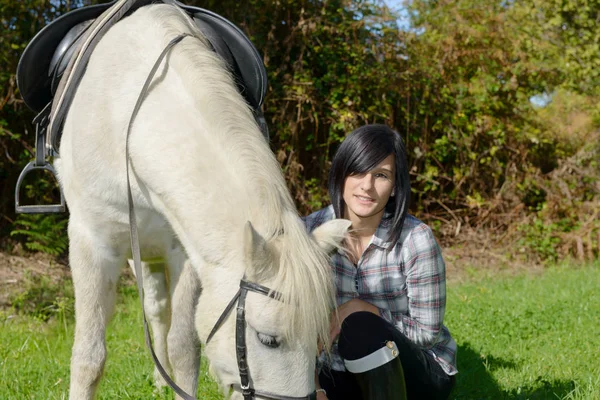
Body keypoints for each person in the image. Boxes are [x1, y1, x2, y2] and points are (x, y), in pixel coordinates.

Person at [304, 124, 457, 400]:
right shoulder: (309, 233)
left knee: (360, 326)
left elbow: (426, 335)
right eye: (358, 171)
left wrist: (360, 310)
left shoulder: (415, 240)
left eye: (381, 175)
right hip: (337, 370)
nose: (367, 186)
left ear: (395, 186)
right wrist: (315, 388)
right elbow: (294, 323)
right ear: (341, 174)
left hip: (416, 372)